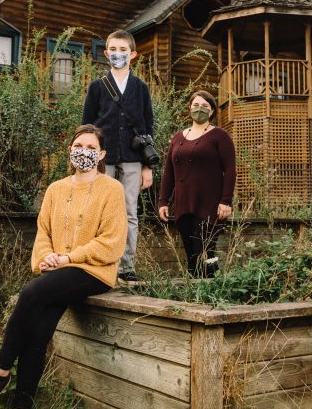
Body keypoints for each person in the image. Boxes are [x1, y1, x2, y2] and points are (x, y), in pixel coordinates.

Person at [0, 124, 126, 409]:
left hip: (93, 271)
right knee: (39, 328)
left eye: (91, 147)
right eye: (79, 145)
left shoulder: (111, 189)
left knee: (30, 294)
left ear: (102, 154)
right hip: (56, 271)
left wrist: (68, 258)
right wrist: (45, 259)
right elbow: (43, 235)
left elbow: (111, 243)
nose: (85, 151)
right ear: (70, 150)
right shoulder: (54, 189)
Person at [81, 30, 154, 281]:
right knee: (97, 210)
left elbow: (148, 127)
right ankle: (97, 264)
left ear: (133, 54)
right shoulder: (97, 87)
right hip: (102, 159)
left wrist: (148, 167)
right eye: (113, 49)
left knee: (129, 212)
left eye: (123, 50)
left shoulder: (141, 88)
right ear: (106, 52)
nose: (118, 54)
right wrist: (88, 161)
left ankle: (126, 267)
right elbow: (86, 126)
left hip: (133, 158)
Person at [158, 90, 236, 277]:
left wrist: (226, 200)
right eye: (195, 105)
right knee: (192, 255)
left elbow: (231, 170)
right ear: (189, 108)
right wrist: (163, 201)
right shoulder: (178, 137)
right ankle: (195, 295)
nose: (199, 109)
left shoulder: (220, 136)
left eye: (204, 106)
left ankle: (214, 284)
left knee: (207, 250)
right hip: (183, 203)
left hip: (210, 204)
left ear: (211, 112)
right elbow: (169, 171)